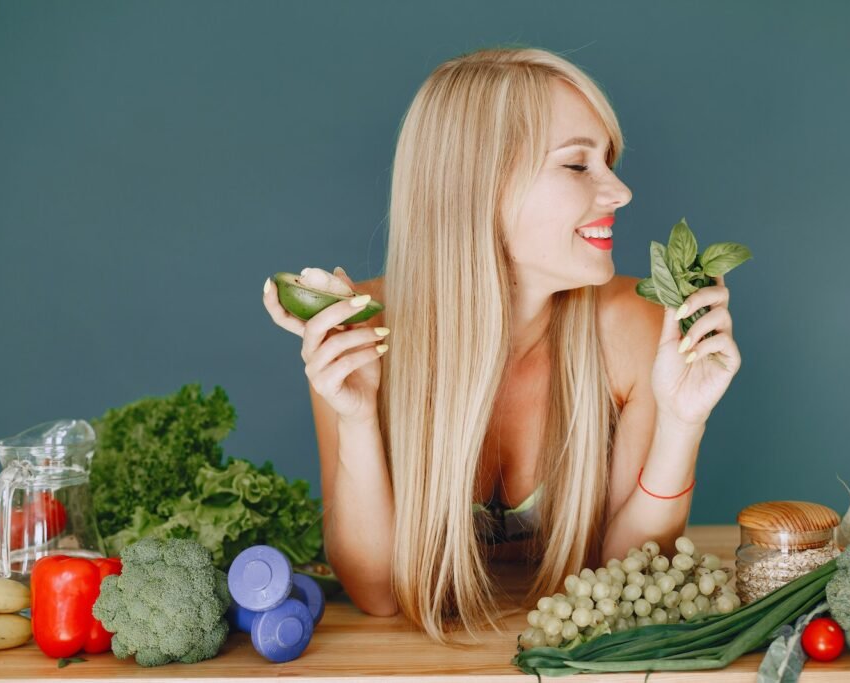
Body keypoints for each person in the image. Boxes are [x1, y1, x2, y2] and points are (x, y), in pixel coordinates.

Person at [262, 45, 741, 644]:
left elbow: (626, 579)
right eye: (577, 165)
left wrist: (681, 423)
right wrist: (357, 419)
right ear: (479, 186)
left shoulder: (633, 325)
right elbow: (380, 594)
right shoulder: (359, 329)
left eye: (609, 162)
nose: (620, 191)